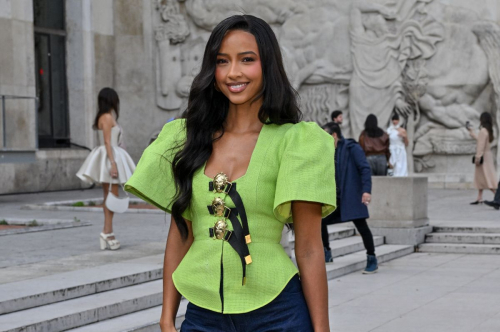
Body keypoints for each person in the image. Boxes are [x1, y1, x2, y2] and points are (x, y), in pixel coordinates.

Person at [125, 15, 336, 332]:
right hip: (203, 316)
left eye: (247, 60)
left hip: (278, 313)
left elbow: (308, 247)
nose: (233, 73)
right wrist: (167, 317)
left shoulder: (296, 142)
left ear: (268, 65)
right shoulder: (188, 139)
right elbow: (182, 234)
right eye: (222, 61)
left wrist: (322, 329)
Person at [76, 87, 136, 250]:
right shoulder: (107, 117)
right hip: (111, 157)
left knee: (109, 196)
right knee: (112, 196)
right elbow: (108, 141)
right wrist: (113, 163)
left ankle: (108, 231)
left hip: (109, 156)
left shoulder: (103, 116)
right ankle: (107, 231)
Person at [321, 122, 377, 273]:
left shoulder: (352, 148)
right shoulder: (327, 151)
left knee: (362, 226)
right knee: (320, 220)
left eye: (326, 135)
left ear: (334, 135)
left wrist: (366, 191)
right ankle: (326, 252)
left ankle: (371, 258)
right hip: (335, 198)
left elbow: (365, 168)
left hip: (351, 196)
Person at [468, 112, 498, 205]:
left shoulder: (483, 131)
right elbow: (481, 141)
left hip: (483, 157)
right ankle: (479, 197)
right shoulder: (488, 131)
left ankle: (497, 196)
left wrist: (477, 157)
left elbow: (480, 145)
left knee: (487, 177)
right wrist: (472, 133)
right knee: (480, 177)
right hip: (487, 156)